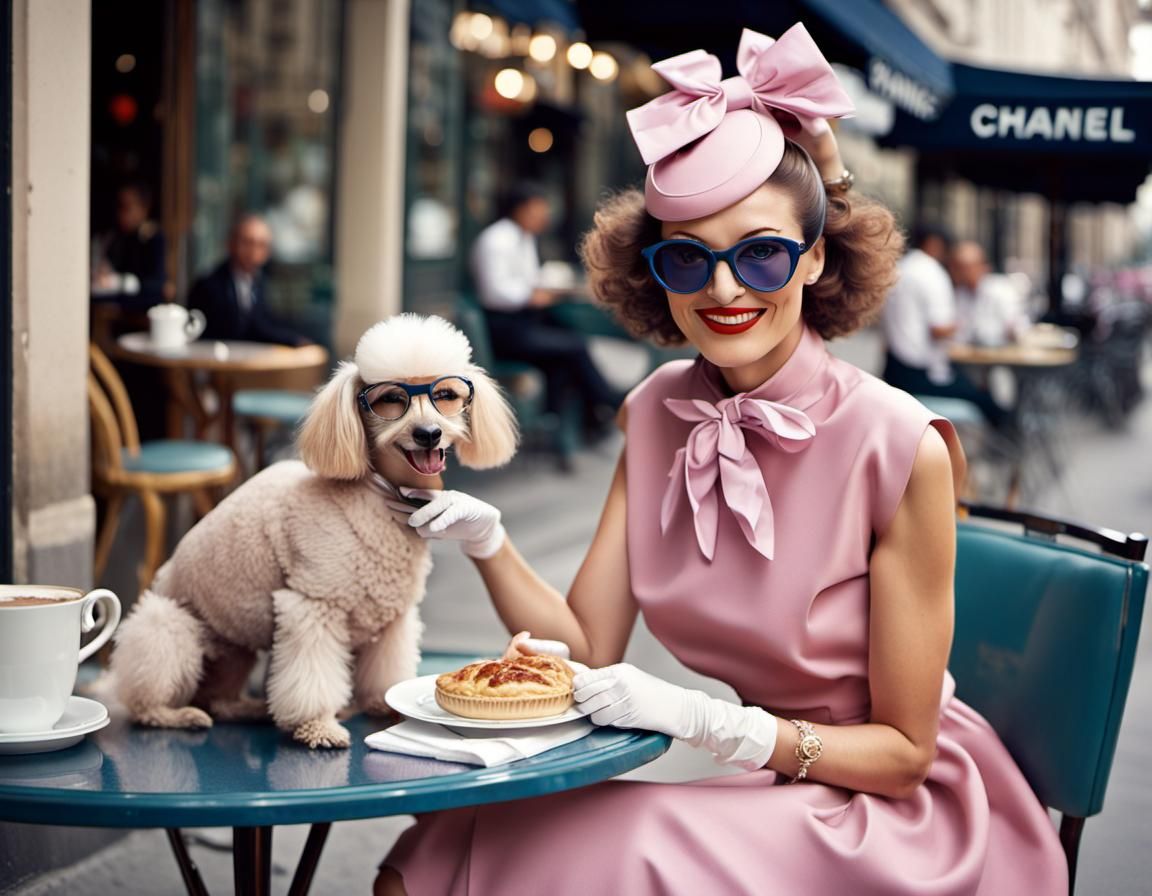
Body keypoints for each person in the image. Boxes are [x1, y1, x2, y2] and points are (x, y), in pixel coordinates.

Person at [375, 24, 1067, 896]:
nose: (725, 288)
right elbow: (585, 649)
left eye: (763, 252)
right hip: (774, 788)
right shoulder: (657, 410)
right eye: (687, 257)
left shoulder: (901, 445)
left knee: (603, 848)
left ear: (814, 257)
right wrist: (490, 542)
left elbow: (903, 754)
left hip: (897, 814)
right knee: (443, 839)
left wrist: (709, 723)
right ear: (654, 270)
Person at [470, 182, 622, 437]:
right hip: (504, 329)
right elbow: (493, 292)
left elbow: (529, 278)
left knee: (567, 341)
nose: (544, 217)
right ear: (520, 210)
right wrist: (531, 296)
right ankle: (603, 402)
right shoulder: (496, 240)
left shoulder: (524, 238)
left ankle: (574, 416)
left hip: (523, 321)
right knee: (573, 346)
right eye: (538, 210)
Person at [881, 226, 1009, 427]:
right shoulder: (931, 272)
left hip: (894, 369)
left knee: (975, 387)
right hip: (919, 374)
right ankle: (1005, 447)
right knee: (986, 400)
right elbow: (939, 329)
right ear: (935, 245)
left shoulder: (902, 268)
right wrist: (962, 325)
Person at [187, 213, 311, 346]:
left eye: (261, 245)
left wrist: (295, 340)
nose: (254, 251)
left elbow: (266, 325)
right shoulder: (208, 285)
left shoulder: (263, 283)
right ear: (231, 244)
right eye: (248, 242)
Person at [949, 240, 1031, 348]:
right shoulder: (959, 293)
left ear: (982, 266)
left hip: (1001, 356)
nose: (963, 272)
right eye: (958, 267)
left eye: (967, 267)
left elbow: (1017, 326)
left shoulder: (1001, 289)